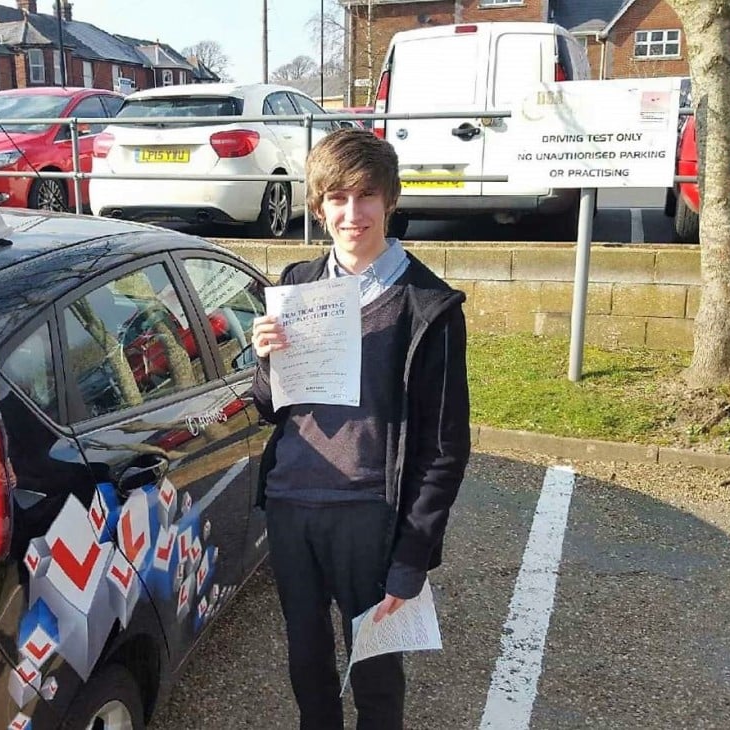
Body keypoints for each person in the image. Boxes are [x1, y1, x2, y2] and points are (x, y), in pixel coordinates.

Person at [250, 128, 471, 729]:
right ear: (318, 207)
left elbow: (447, 449)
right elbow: (272, 408)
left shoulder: (428, 306)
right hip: (292, 503)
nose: (353, 214)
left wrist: (412, 556)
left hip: (369, 511)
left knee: (375, 675)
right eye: (337, 198)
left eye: (366, 195)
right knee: (306, 661)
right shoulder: (296, 285)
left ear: (390, 200)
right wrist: (265, 362)